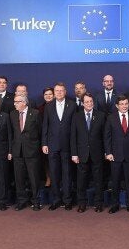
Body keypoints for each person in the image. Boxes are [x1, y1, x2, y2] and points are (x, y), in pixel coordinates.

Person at [104, 95, 129, 214]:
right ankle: (115, 205)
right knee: (115, 181)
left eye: (126, 103)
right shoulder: (111, 118)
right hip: (115, 156)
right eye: (122, 104)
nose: (124, 106)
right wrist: (108, 152)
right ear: (117, 106)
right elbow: (107, 137)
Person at [42, 82, 76, 211]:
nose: (59, 93)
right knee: (54, 174)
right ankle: (56, 200)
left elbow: (74, 128)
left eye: (61, 90)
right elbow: (45, 125)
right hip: (52, 146)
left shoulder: (72, 105)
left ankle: (67, 200)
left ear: (65, 92)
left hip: (67, 145)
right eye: (57, 91)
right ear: (54, 93)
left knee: (67, 174)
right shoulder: (49, 106)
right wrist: (44, 143)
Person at [70, 93, 106, 213]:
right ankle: (82, 203)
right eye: (86, 102)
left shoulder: (101, 115)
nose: (89, 104)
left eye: (91, 101)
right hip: (81, 154)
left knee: (98, 180)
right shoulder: (76, 116)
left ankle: (99, 203)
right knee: (81, 181)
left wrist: (106, 152)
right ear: (82, 103)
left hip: (97, 153)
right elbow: (73, 137)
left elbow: (105, 136)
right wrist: (74, 153)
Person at [10, 94, 43, 211]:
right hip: (17, 151)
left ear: (24, 103)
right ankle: (22, 201)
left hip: (32, 151)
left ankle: (36, 201)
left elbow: (40, 131)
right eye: (14, 102)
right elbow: (11, 133)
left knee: (34, 178)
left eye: (17, 102)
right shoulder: (13, 114)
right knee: (19, 178)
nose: (15, 104)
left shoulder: (35, 113)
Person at [37, 87, 54, 188]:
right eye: (46, 94)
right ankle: (48, 177)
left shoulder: (58, 106)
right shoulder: (40, 109)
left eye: (50, 94)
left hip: (56, 137)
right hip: (44, 137)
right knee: (45, 160)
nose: (48, 96)